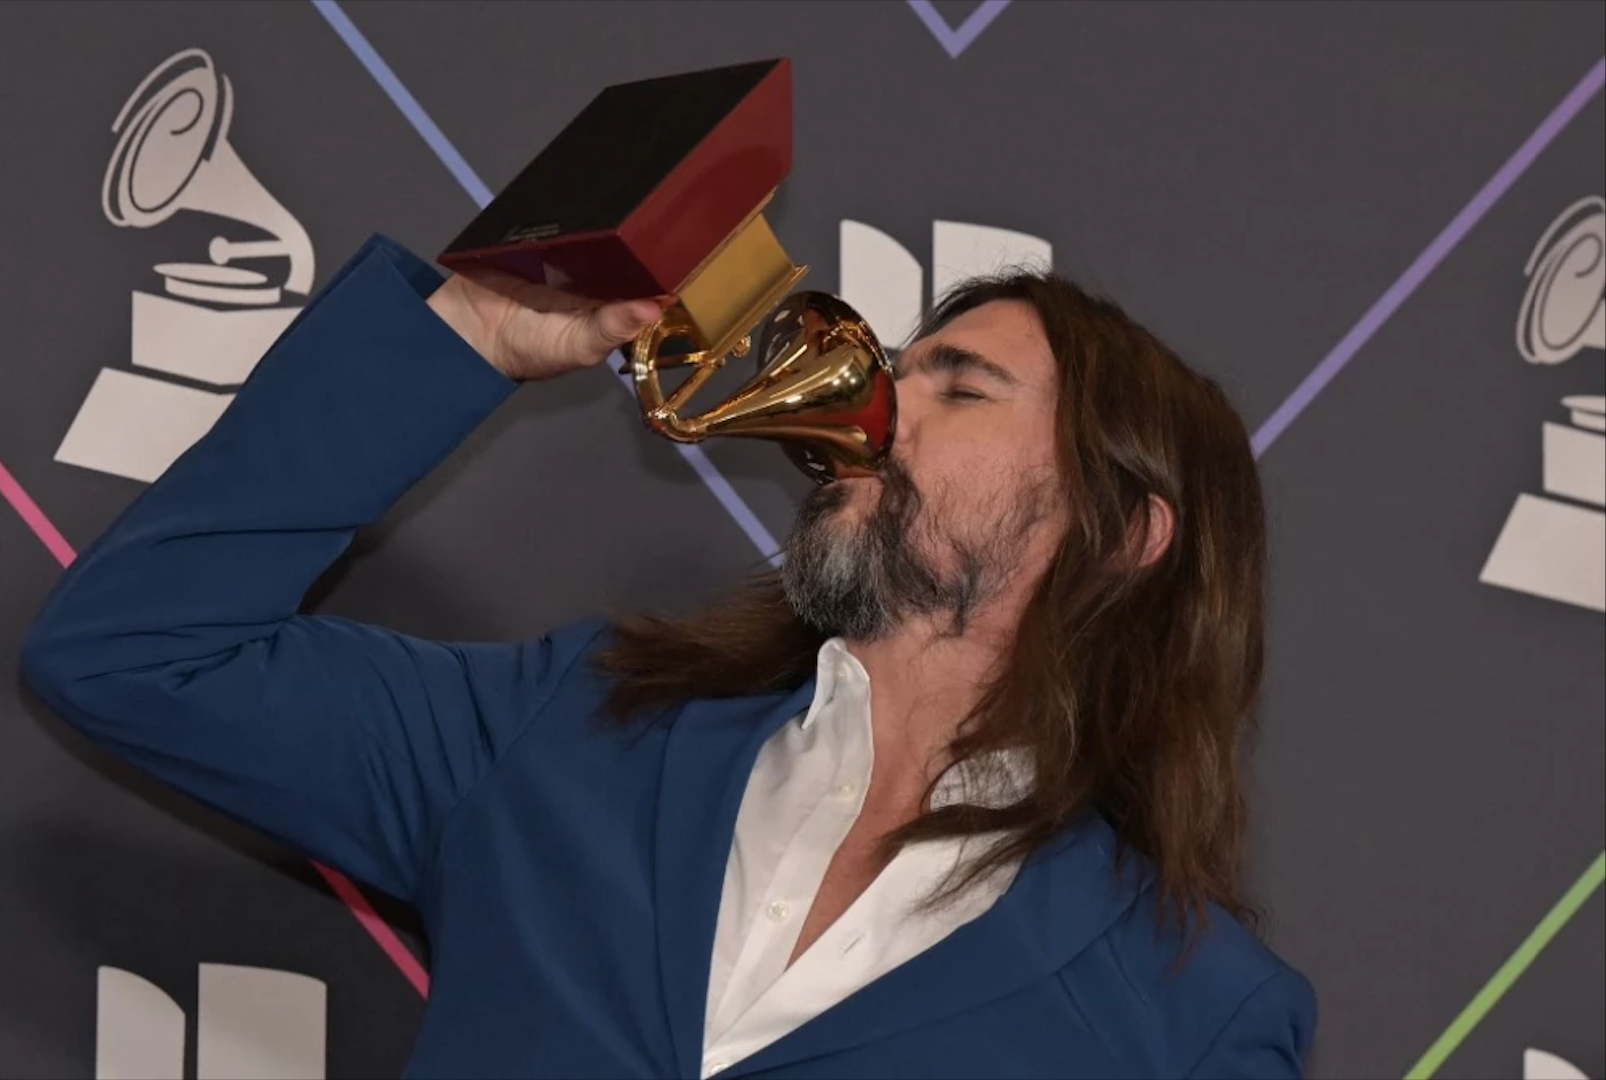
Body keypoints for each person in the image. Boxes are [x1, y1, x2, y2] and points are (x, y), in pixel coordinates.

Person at [21, 232, 1317, 1079]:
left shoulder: (1192, 1018)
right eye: (895, 367)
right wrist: (468, 331)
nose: (865, 403)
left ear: (1120, 531)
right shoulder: (569, 731)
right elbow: (139, 654)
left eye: (956, 387)